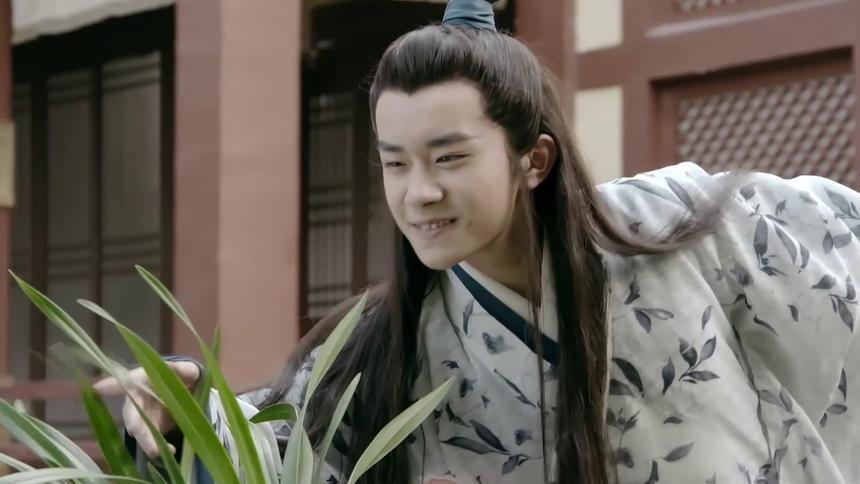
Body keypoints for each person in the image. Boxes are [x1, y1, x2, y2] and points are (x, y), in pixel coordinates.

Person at [95, 0, 860, 482]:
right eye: (395, 163)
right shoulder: (387, 347)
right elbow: (275, 452)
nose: (418, 193)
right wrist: (182, 411)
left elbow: (836, 262)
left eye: (449, 158)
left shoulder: (677, 227)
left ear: (534, 159)